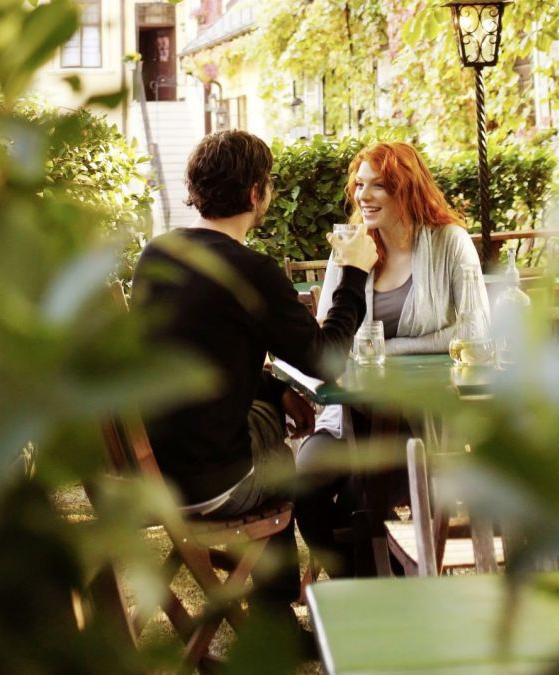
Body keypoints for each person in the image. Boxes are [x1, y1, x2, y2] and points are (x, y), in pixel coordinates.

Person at [129, 130, 378, 622]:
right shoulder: (253, 271)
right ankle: (278, 612)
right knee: (282, 462)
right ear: (254, 194)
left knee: (269, 422)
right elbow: (327, 360)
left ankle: (276, 613)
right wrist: (353, 274)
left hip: (151, 474)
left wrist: (275, 389)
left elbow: (205, 356)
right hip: (208, 482)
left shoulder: (158, 254)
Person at [295, 141, 490, 576]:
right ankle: (370, 582)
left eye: (379, 186)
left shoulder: (449, 243)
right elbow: (331, 336)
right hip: (346, 417)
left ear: (407, 190)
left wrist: (383, 349)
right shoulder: (351, 246)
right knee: (305, 486)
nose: (363, 196)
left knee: (364, 495)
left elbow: (474, 333)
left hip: (424, 420)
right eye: (360, 184)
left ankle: (387, 586)